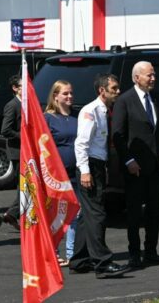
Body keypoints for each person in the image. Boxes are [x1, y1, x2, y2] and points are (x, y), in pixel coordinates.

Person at [69, 74, 129, 279]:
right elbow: (81, 144)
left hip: (98, 164)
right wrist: (85, 171)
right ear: (101, 91)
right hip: (90, 166)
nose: (118, 92)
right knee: (97, 214)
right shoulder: (91, 111)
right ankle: (102, 262)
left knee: (88, 215)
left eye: (118, 88)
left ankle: (79, 260)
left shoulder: (105, 111)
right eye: (113, 88)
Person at [113, 61, 159, 268]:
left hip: (155, 166)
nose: (153, 78)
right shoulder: (124, 101)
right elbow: (118, 135)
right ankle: (134, 253)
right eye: (149, 75)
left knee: (154, 211)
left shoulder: (156, 99)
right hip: (135, 168)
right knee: (135, 213)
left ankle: (151, 251)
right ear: (136, 77)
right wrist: (128, 160)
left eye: (154, 75)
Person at [44, 80, 79, 267]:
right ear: (55, 96)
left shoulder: (77, 116)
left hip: (76, 173)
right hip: (57, 176)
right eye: (65, 93)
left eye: (71, 93)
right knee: (57, 215)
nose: (70, 96)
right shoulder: (48, 118)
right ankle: (54, 250)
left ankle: (72, 253)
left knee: (76, 213)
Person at [0, 75, 22, 232]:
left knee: (25, 186)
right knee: (25, 186)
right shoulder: (12, 105)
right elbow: (5, 130)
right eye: (22, 85)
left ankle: (12, 214)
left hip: (28, 151)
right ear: (15, 88)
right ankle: (11, 213)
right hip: (18, 152)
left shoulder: (27, 104)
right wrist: (23, 135)